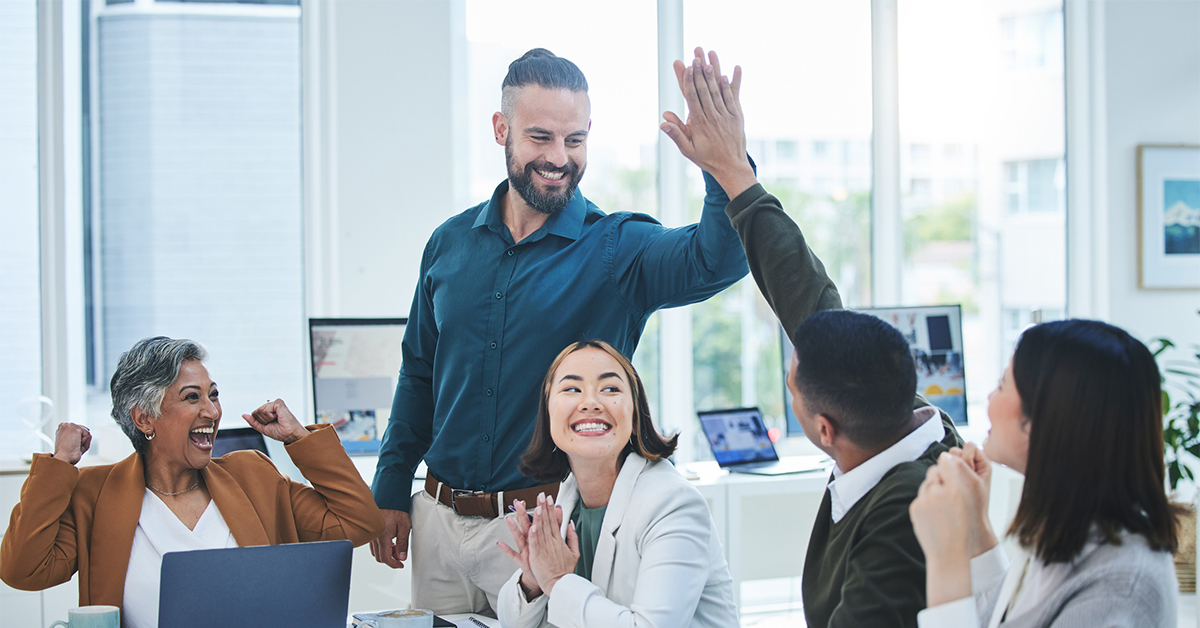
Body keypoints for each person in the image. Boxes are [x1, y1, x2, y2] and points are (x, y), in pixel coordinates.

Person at [369, 47, 748, 614]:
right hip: (438, 526)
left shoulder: (617, 248)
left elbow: (717, 259)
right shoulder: (448, 245)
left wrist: (726, 166)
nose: (559, 158)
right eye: (540, 137)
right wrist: (391, 483)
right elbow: (420, 373)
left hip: (540, 530)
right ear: (502, 129)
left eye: (575, 141)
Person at [660, 46, 963, 627]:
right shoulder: (908, 423)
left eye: (794, 387)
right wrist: (734, 173)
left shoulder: (904, 516)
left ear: (824, 429)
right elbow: (811, 301)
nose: (798, 356)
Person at [0, 336, 384, 628]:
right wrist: (58, 465)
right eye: (192, 397)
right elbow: (23, 570)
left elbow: (359, 523)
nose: (212, 411)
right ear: (144, 419)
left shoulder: (253, 473)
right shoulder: (94, 492)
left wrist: (299, 439)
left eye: (213, 395)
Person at [910, 320, 1179, 627]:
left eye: (1001, 385)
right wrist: (975, 526)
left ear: (1046, 418)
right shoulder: (1068, 531)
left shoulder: (1119, 590)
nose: (989, 399)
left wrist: (946, 558)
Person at [494, 340, 739, 627]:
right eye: (571, 389)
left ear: (635, 412)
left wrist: (557, 581)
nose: (590, 403)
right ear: (547, 411)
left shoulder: (673, 503)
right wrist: (533, 581)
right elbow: (513, 622)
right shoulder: (569, 495)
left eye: (610, 389)